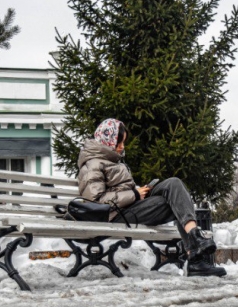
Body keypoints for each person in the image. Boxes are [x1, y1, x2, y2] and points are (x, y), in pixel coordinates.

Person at [77, 118, 225, 277]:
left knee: (174, 185)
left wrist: (139, 191)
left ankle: (195, 236)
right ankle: (195, 258)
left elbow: (119, 190)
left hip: (129, 208)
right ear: (107, 140)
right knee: (174, 202)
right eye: (119, 142)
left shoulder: (111, 160)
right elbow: (97, 200)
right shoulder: (93, 164)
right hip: (115, 215)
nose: (122, 147)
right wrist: (134, 194)